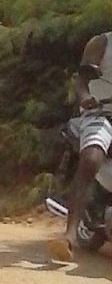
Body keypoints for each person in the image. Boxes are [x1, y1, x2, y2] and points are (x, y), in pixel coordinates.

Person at [47, 31, 112, 262]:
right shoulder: (102, 43)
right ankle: (70, 235)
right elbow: (81, 80)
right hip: (101, 114)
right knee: (92, 158)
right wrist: (85, 97)